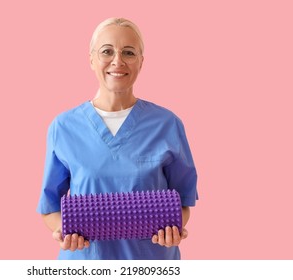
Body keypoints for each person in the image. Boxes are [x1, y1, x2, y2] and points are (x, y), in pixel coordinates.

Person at [37, 17, 198, 260]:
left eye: (129, 52)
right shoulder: (63, 127)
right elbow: (50, 207)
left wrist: (173, 228)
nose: (118, 61)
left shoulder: (168, 124)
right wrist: (63, 230)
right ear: (91, 59)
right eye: (107, 51)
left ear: (141, 62)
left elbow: (183, 201)